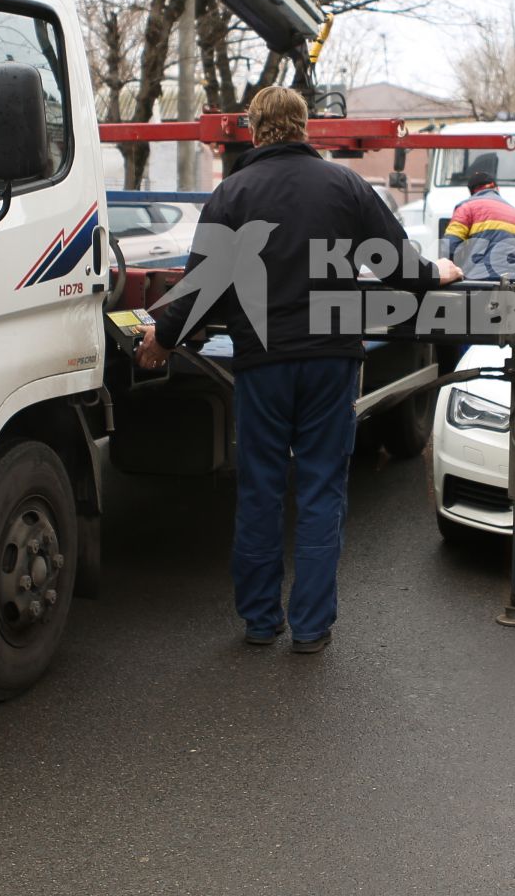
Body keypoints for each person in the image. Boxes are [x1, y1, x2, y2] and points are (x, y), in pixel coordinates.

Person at [137, 87, 461, 653]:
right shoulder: (346, 187)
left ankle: (261, 622)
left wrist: (161, 338)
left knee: (261, 490)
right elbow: (399, 269)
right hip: (331, 362)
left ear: (257, 131)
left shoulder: (232, 193)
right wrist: (439, 274)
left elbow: (204, 287)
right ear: (304, 128)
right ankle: (311, 628)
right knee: (320, 491)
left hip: (262, 364)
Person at [441, 170, 515, 280]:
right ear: (496, 188)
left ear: (472, 191)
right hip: (512, 286)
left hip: (479, 284)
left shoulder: (466, 208)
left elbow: (449, 247)